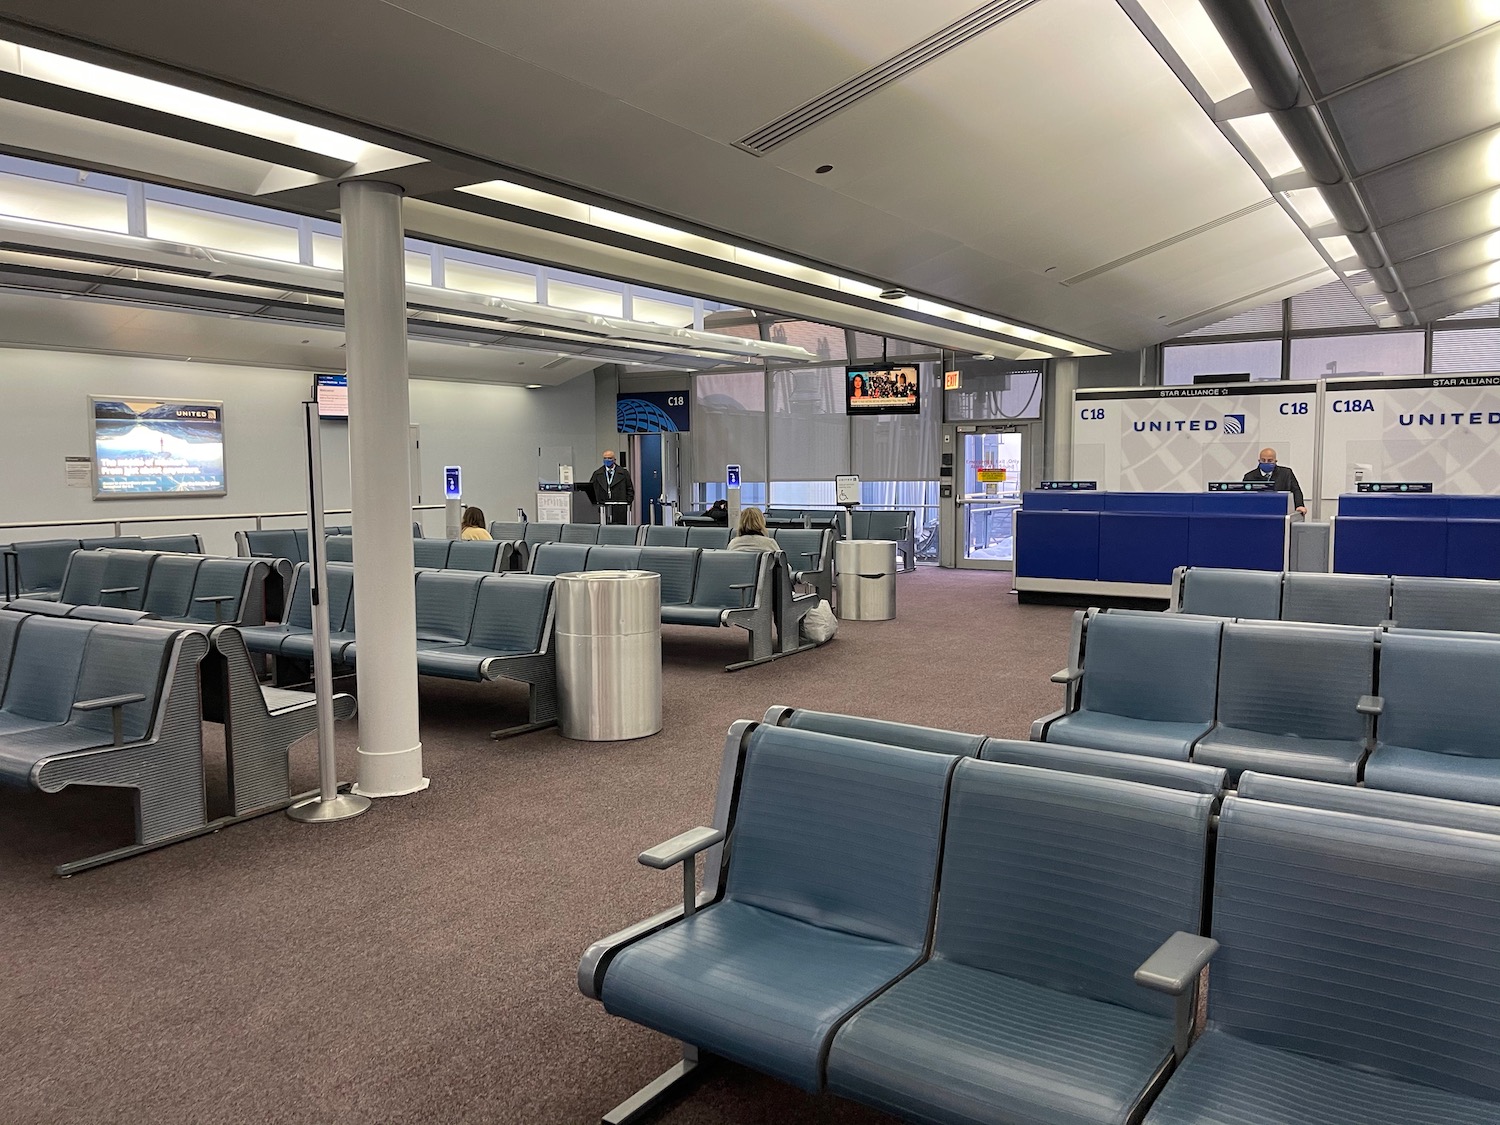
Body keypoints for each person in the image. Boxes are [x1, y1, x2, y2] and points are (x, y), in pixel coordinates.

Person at [1243, 447, 1306, 514]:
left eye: (1270, 461)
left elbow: (1296, 490)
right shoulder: (1249, 476)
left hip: (1280, 510)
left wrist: (1299, 505)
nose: (1266, 463)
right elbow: (1245, 498)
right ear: (1259, 461)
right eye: (1263, 460)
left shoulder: (1286, 473)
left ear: (1275, 461)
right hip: (1257, 511)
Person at [582, 449, 635, 524]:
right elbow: (591, 489)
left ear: (614, 460)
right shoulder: (597, 474)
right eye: (605, 458)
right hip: (603, 508)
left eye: (609, 458)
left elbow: (630, 490)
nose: (607, 460)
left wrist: (626, 502)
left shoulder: (623, 473)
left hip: (619, 507)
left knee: (620, 528)